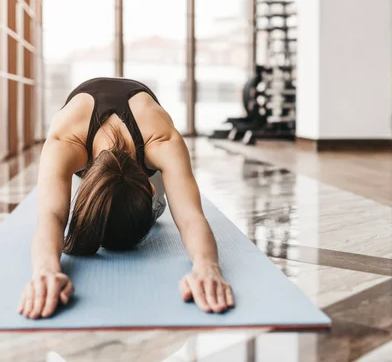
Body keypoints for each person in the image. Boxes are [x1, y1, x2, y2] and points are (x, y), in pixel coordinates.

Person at [17, 78, 234, 319]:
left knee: (160, 204)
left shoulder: (161, 140)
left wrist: (207, 266)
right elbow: (52, 216)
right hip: (93, 142)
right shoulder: (64, 141)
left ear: (151, 189)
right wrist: (45, 270)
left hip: (144, 137)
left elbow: (190, 218)